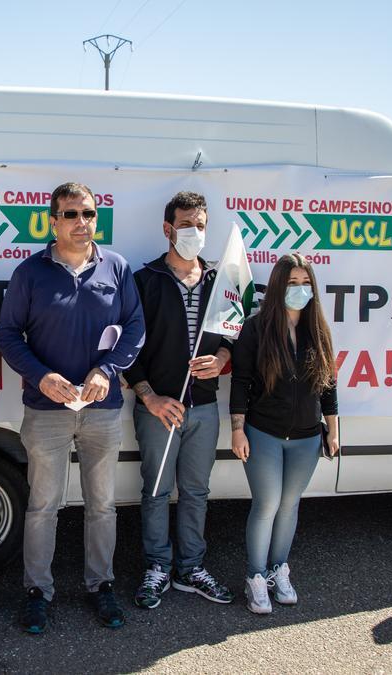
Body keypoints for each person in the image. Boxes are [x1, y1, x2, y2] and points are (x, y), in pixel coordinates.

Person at [0, 181, 145, 633]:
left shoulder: (116, 268)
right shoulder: (30, 273)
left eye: (89, 214)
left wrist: (108, 370)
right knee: (43, 505)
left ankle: (101, 585)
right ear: (52, 221)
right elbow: (7, 335)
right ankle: (37, 591)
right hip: (46, 409)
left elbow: (134, 327)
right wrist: (42, 376)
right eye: (71, 215)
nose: (82, 223)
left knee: (102, 504)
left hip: (102, 408)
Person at [123, 191, 234, 611]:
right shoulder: (145, 280)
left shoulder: (221, 280)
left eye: (201, 225)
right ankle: (157, 567)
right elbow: (125, 348)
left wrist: (221, 357)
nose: (195, 233)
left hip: (204, 408)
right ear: (168, 229)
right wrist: (149, 397)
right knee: (154, 490)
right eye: (187, 225)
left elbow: (235, 338)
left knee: (196, 491)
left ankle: (191, 569)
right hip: (158, 409)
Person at [229, 253, 339, 615]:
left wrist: (333, 432)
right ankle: (256, 577)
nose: (300, 289)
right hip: (264, 434)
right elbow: (241, 382)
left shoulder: (318, 329)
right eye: (292, 283)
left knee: (290, 506)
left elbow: (328, 387)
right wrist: (238, 430)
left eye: (305, 283)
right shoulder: (257, 328)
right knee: (267, 505)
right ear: (278, 287)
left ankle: (279, 570)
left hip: (307, 438)